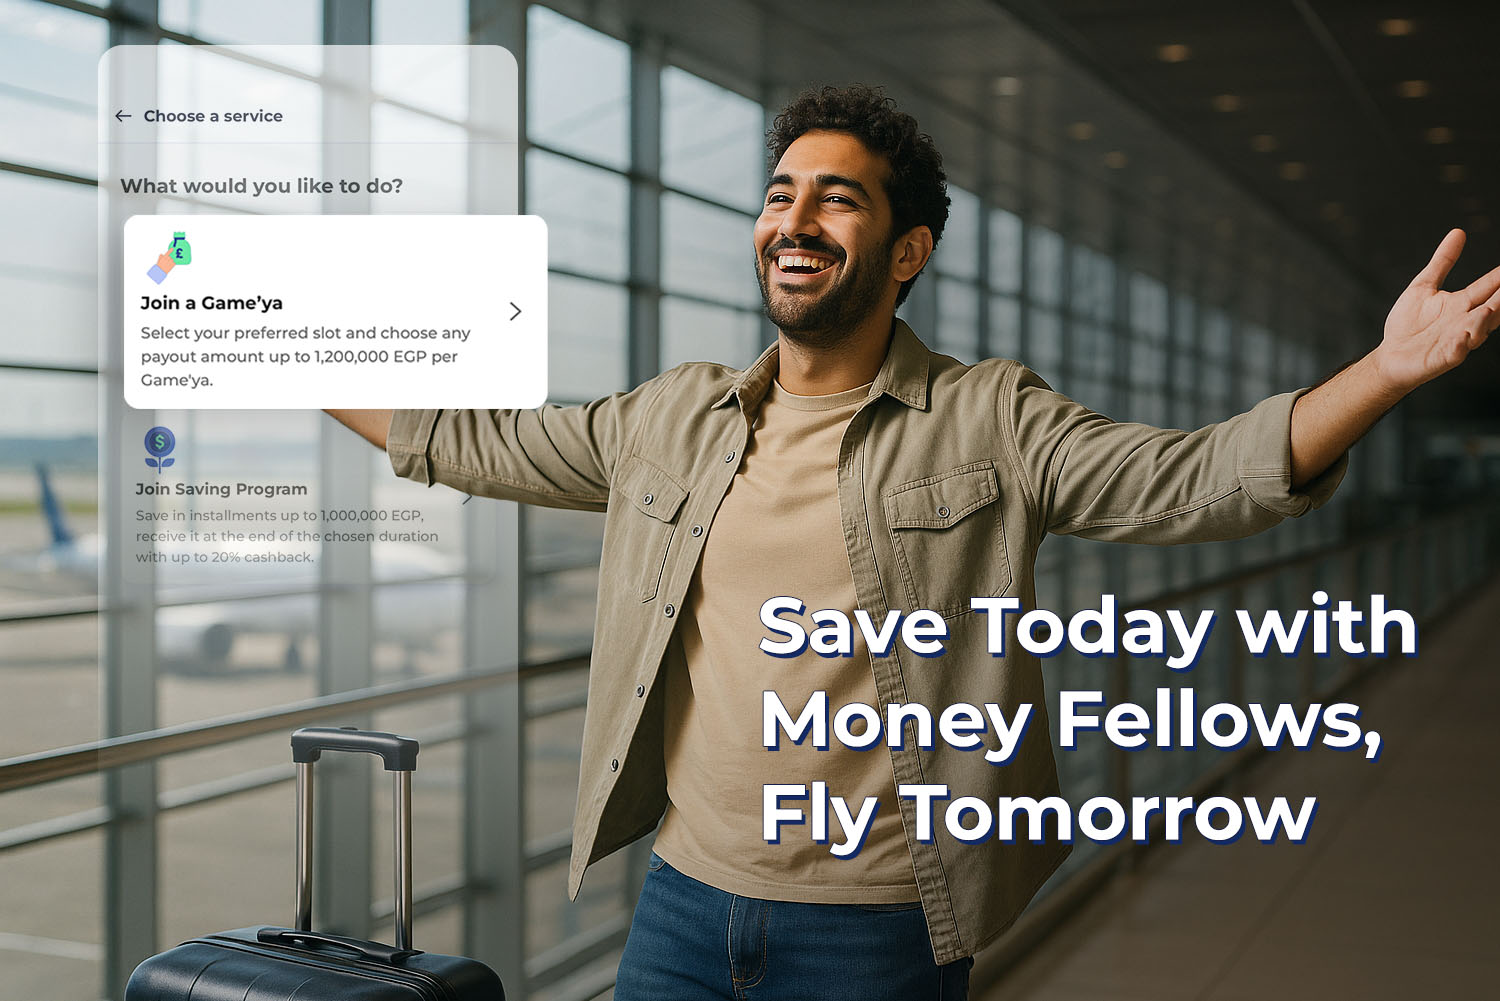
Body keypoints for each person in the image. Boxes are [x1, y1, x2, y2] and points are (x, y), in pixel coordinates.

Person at [327, 85, 1497, 1000]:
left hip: (879, 925)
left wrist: (1387, 370)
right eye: (782, 193)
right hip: (680, 902)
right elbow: (464, 437)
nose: (795, 219)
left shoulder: (991, 416)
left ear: (907, 252)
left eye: (837, 198)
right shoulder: (671, 419)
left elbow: (1192, 480)